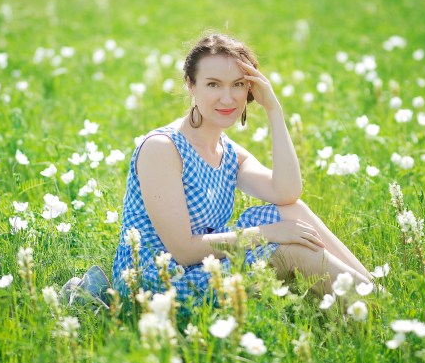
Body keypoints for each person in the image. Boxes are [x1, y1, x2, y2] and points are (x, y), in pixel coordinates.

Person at [111, 33, 373, 305]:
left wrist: (274, 109)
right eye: (213, 84)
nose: (228, 98)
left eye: (237, 84)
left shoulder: (227, 152)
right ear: (191, 85)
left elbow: (287, 193)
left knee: (293, 212)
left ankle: (372, 289)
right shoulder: (162, 148)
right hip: (160, 281)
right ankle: (373, 308)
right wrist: (270, 234)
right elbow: (184, 251)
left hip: (204, 264)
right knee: (289, 251)